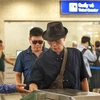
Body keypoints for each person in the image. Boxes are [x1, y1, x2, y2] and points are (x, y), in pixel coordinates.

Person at [29, 21, 89, 92]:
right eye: (50, 41)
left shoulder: (76, 54)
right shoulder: (42, 59)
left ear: (64, 37)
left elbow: (83, 79)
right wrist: (33, 87)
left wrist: (86, 96)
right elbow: (34, 82)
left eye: (57, 41)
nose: (54, 44)